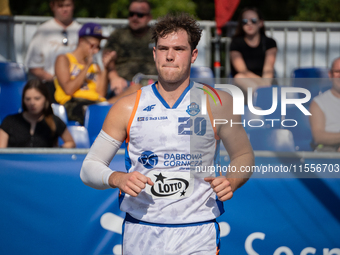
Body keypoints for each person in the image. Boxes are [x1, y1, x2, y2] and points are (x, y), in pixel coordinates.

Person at [81, 13, 254, 255]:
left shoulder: (218, 102)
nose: (170, 56)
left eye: (179, 49)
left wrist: (232, 181)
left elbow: (244, 155)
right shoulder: (127, 106)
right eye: (163, 49)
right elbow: (89, 167)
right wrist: (118, 178)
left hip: (198, 230)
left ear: (193, 54)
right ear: (154, 53)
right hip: (141, 229)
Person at [54, 22, 116, 125]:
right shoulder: (64, 59)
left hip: (96, 104)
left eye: (98, 47)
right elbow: (69, 89)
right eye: (92, 46)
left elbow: (101, 94)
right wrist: (86, 66)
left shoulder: (95, 66)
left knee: (135, 89)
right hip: (74, 103)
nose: (95, 51)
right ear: (81, 40)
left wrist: (105, 68)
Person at [25, 0, 81, 101]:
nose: (64, 9)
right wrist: (57, 79)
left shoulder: (81, 31)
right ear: (52, 6)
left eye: (68, 5)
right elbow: (33, 67)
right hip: (50, 87)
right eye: (60, 6)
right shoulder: (43, 31)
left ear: (73, 6)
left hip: (78, 87)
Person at [103, 0, 157, 98]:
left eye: (140, 15)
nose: (134, 18)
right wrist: (114, 77)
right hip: (123, 84)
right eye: (131, 14)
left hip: (154, 83)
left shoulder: (158, 36)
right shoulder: (118, 35)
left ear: (149, 17)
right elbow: (107, 58)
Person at [0, 79, 75, 148]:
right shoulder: (10, 121)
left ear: (46, 99)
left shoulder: (54, 121)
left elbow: (71, 143)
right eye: (28, 99)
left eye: (37, 98)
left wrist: (57, 151)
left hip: (43, 162)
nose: (32, 103)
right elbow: (2, 151)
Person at [230, 7, 277, 94]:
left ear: (260, 23)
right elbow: (242, 70)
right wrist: (262, 86)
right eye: (245, 21)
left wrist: (265, 84)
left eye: (253, 20)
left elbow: (268, 70)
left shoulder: (270, 42)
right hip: (245, 85)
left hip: (267, 83)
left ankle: (262, 96)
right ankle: (261, 96)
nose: (249, 23)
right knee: (239, 77)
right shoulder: (236, 43)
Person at [309, 57, 340, 152]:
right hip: (328, 149)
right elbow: (318, 136)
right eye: (337, 71)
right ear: (330, 75)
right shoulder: (318, 103)